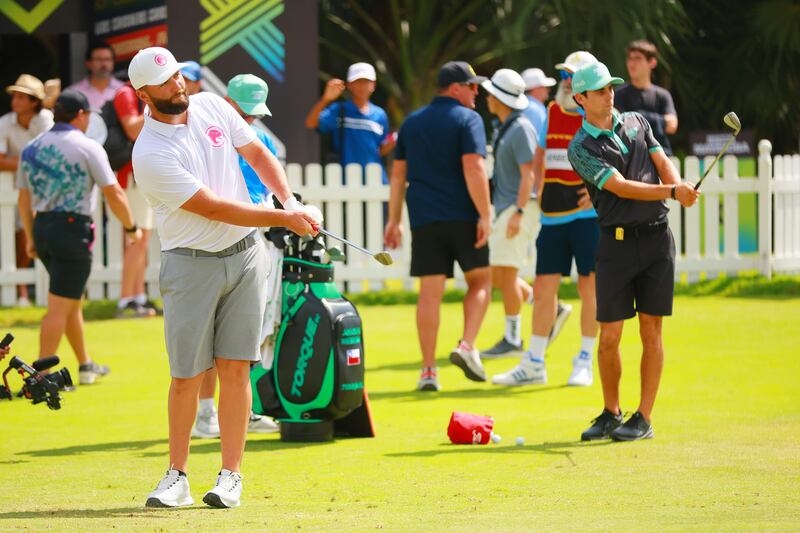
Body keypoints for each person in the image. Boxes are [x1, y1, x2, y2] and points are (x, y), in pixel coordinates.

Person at [128, 47, 316, 509]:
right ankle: (177, 476)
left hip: (245, 257)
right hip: (190, 263)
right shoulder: (150, 153)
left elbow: (256, 152)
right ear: (143, 95)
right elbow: (212, 207)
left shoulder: (211, 105)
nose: (176, 85)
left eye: (177, 75)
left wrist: (287, 201)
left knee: (236, 368)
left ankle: (230, 476)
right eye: (165, 82)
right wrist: (281, 220)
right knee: (187, 376)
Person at [567, 61, 699, 441]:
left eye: (611, 88)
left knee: (651, 331)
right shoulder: (581, 148)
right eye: (600, 90)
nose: (609, 95)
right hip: (616, 246)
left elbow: (661, 162)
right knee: (609, 335)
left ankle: (643, 416)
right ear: (581, 98)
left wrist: (679, 186)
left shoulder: (638, 121)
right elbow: (621, 187)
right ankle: (611, 412)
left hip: (657, 241)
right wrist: (673, 192)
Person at [16, 89, 141, 385]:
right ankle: (41, 375)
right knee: (60, 305)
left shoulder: (31, 148)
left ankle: (85, 365)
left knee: (70, 298)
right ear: (81, 115)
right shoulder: (87, 147)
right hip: (72, 230)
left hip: (43, 227)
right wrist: (130, 226)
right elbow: (114, 192)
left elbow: (24, 199)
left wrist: (31, 237)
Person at [492, 51, 599, 387]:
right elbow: (540, 155)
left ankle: (584, 359)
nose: (567, 82)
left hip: (587, 217)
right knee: (543, 287)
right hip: (552, 216)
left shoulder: (600, 114)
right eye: (565, 76)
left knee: (588, 286)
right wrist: (536, 190)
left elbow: (620, 158)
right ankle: (534, 362)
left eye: (573, 76)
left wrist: (597, 191)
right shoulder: (551, 112)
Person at [384, 61, 492, 392]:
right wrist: (486, 214)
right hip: (464, 217)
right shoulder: (468, 118)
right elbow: (473, 167)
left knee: (430, 293)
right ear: (455, 88)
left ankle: (428, 370)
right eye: (472, 86)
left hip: (425, 218)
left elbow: (398, 175)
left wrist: (394, 220)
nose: (477, 92)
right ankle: (467, 346)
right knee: (480, 281)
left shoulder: (412, 122)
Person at [191, 73, 281, 439]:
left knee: (247, 337)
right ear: (228, 103)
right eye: (246, 112)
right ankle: (205, 413)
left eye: (256, 114)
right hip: (210, 244)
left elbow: (265, 190)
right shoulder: (206, 138)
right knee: (209, 337)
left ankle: (245, 408)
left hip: (254, 243)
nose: (251, 120)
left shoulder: (259, 141)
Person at [477, 69, 539, 360]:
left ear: (499, 98)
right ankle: (545, 306)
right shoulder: (507, 126)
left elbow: (530, 174)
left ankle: (513, 338)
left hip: (516, 208)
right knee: (500, 274)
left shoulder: (520, 128)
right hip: (508, 207)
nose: (487, 98)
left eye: (491, 94)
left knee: (507, 274)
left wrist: (518, 211)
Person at [108, 77, 160, 319]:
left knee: (143, 239)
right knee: (135, 238)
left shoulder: (142, 95)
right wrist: (157, 103)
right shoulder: (126, 94)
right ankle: (126, 300)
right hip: (130, 175)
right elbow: (132, 128)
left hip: (143, 174)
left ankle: (137, 297)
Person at [0, 74, 54, 307]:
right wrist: (32, 162)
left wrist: (20, 162)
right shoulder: (4, 122)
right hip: (13, 191)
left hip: (43, 190)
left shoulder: (46, 119)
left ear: (34, 102)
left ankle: (41, 292)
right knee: (18, 240)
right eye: (15, 96)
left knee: (39, 238)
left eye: (22, 97)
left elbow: (50, 156)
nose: (16, 101)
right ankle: (22, 293)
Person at [305, 62, 395, 182]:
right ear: (349, 85)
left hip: (375, 180)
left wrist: (391, 144)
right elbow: (311, 123)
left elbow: (379, 150)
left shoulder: (380, 115)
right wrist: (326, 99)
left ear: (373, 85)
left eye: (366, 81)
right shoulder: (338, 109)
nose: (362, 86)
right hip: (343, 180)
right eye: (358, 82)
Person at [615, 40, 678, 155]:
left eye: (638, 58)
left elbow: (672, 126)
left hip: (661, 158)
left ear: (652, 62)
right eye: (630, 58)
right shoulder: (619, 94)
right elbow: (618, 125)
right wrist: (660, 121)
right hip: (630, 159)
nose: (632, 63)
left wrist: (635, 117)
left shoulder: (663, 95)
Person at [67, 41, 124, 111]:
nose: (104, 64)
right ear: (88, 63)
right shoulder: (74, 92)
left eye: (107, 59)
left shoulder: (123, 89)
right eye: (99, 59)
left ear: (113, 62)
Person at [520, 67, 556, 141]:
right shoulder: (534, 109)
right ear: (535, 88)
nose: (548, 89)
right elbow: (540, 140)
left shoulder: (525, 106)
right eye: (544, 87)